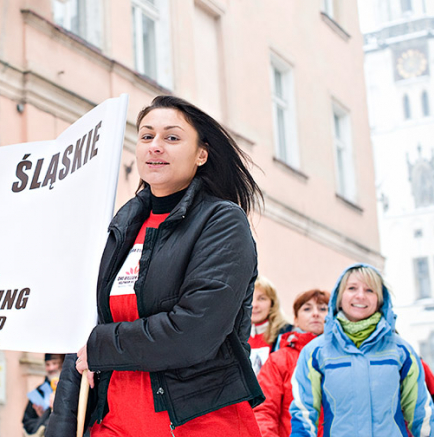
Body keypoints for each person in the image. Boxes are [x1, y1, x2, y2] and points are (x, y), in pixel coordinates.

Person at [47, 95, 265, 437]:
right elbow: (87, 331)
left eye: (172, 137)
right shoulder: (122, 225)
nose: (155, 147)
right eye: (146, 136)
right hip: (114, 423)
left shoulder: (221, 222)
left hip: (198, 425)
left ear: (201, 154)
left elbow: (192, 334)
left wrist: (99, 346)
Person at [290, 263, 434, 436]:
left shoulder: (401, 351)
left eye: (370, 290)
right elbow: (304, 415)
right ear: (339, 297)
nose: (360, 295)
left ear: (380, 299)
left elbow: (421, 414)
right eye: (352, 288)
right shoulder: (316, 353)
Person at [253, 289, 329, 437]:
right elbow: (264, 411)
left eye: (323, 308)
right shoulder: (279, 360)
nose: (315, 314)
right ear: (295, 319)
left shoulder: (344, 360)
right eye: (307, 308)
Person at [248, 276, 291, 374]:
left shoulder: (286, 334)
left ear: (272, 303)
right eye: (249, 298)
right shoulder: (233, 336)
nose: (254, 305)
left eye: (261, 298)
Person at [23, 353, 65, 436]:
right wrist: (42, 418)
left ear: (61, 364)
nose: (51, 368)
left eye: (54, 363)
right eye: (47, 364)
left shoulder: (69, 387)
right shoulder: (39, 392)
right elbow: (27, 422)